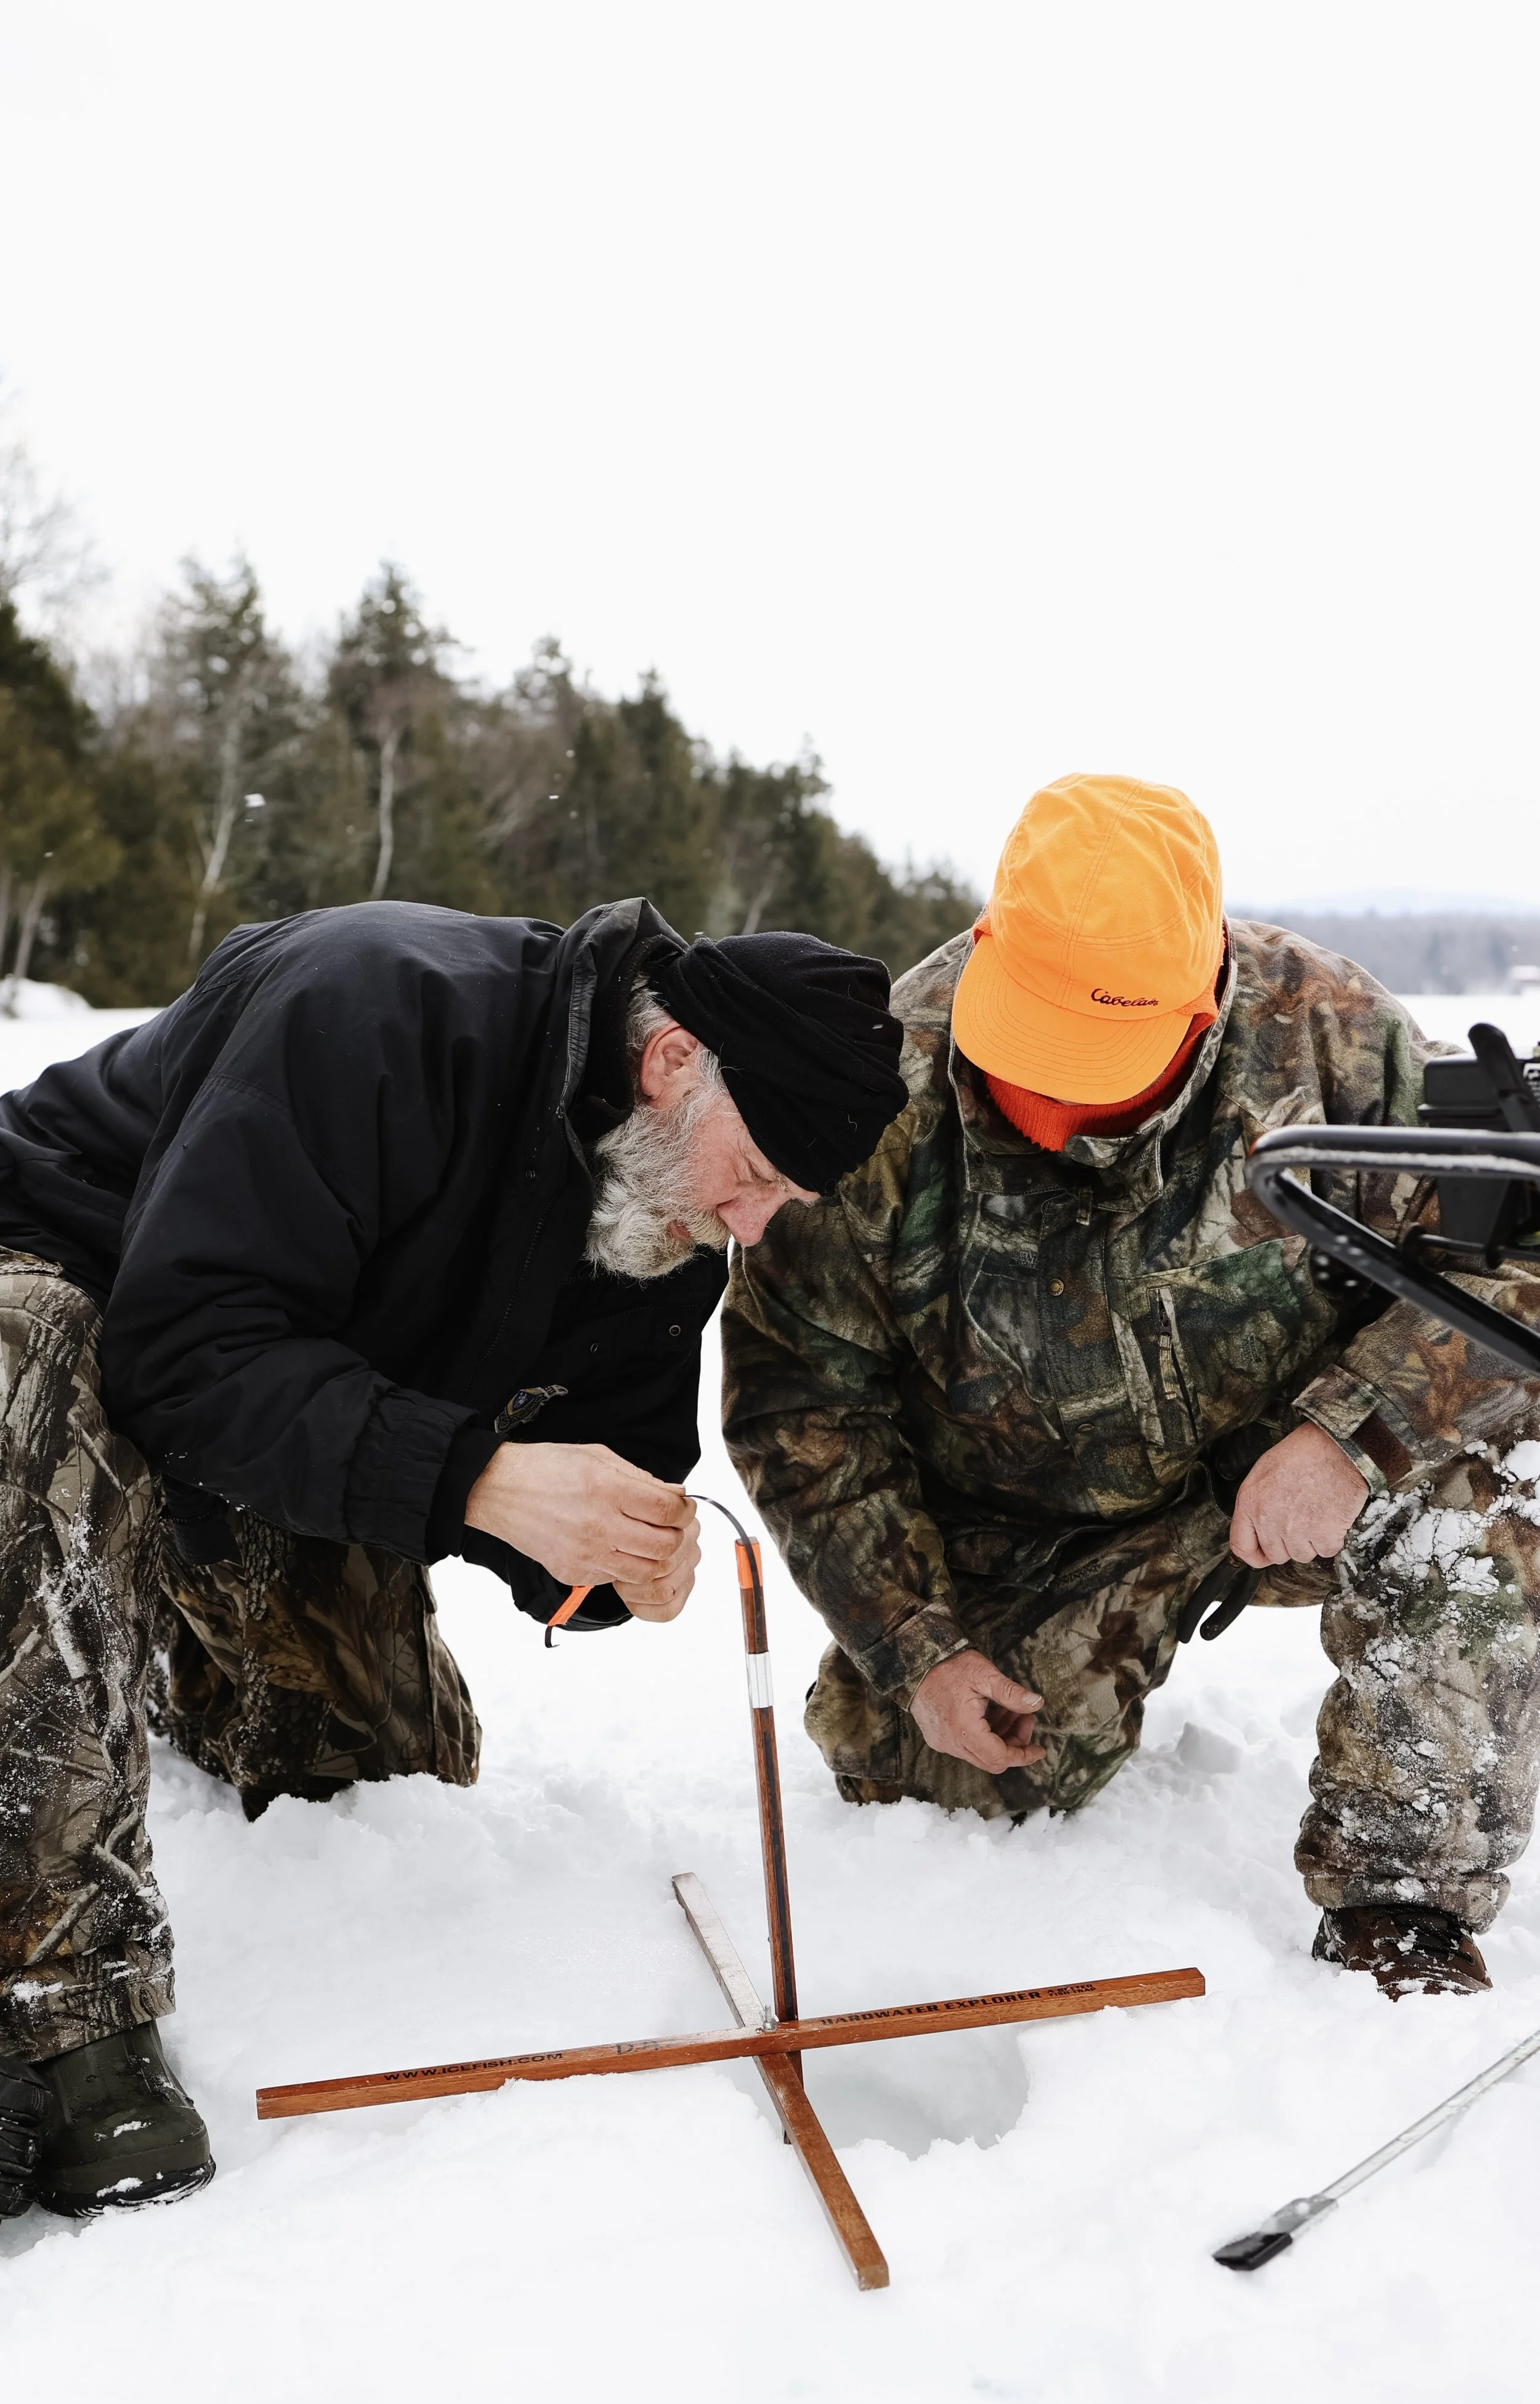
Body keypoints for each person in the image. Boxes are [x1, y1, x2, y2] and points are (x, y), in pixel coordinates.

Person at [0, 894, 908, 2217]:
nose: (754, 1223)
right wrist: (475, 1475)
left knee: (359, 1776)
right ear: (670, 1064)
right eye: (759, 1174)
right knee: (28, 1377)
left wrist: (614, 1563)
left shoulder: (664, 1205)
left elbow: (603, 1460)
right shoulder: (373, 1005)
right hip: (73, 1281)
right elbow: (182, 1346)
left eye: (782, 1199)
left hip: (283, 1395)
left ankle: (139, 1654)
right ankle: (64, 2014)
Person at [723, 775, 1540, 2008]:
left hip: (1295, 1476)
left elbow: (1510, 1272)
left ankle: (1400, 1901)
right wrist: (914, 1643)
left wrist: (1350, 1434)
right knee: (942, 1774)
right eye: (1029, 1054)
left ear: (1202, 1002)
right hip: (1033, 1521)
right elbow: (796, 1390)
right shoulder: (882, 1084)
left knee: (1485, 1491)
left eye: (1095, 1069)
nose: (1052, 1115)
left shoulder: (1333, 1036)